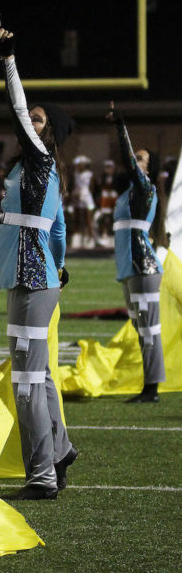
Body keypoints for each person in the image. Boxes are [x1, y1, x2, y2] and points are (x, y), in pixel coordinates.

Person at [0, 15, 77, 500]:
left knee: (24, 381)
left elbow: (18, 108)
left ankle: (42, 476)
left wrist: (8, 62)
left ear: (50, 134)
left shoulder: (41, 161)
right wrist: (60, 268)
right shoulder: (34, 170)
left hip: (30, 278)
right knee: (38, 375)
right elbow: (59, 232)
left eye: (40, 120)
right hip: (31, 277)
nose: (31, 122)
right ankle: (59, 450)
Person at [106, 101, 166, 403]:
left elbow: (127, 160)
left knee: (148, 328)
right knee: (139, 326)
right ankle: (148, 381)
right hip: (129, 268)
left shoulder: (145, 188)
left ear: (147, 167)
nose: (134, 161)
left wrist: (120, 127)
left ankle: (151, 389)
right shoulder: (130, 193)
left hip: (143, 267)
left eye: (140, 159)